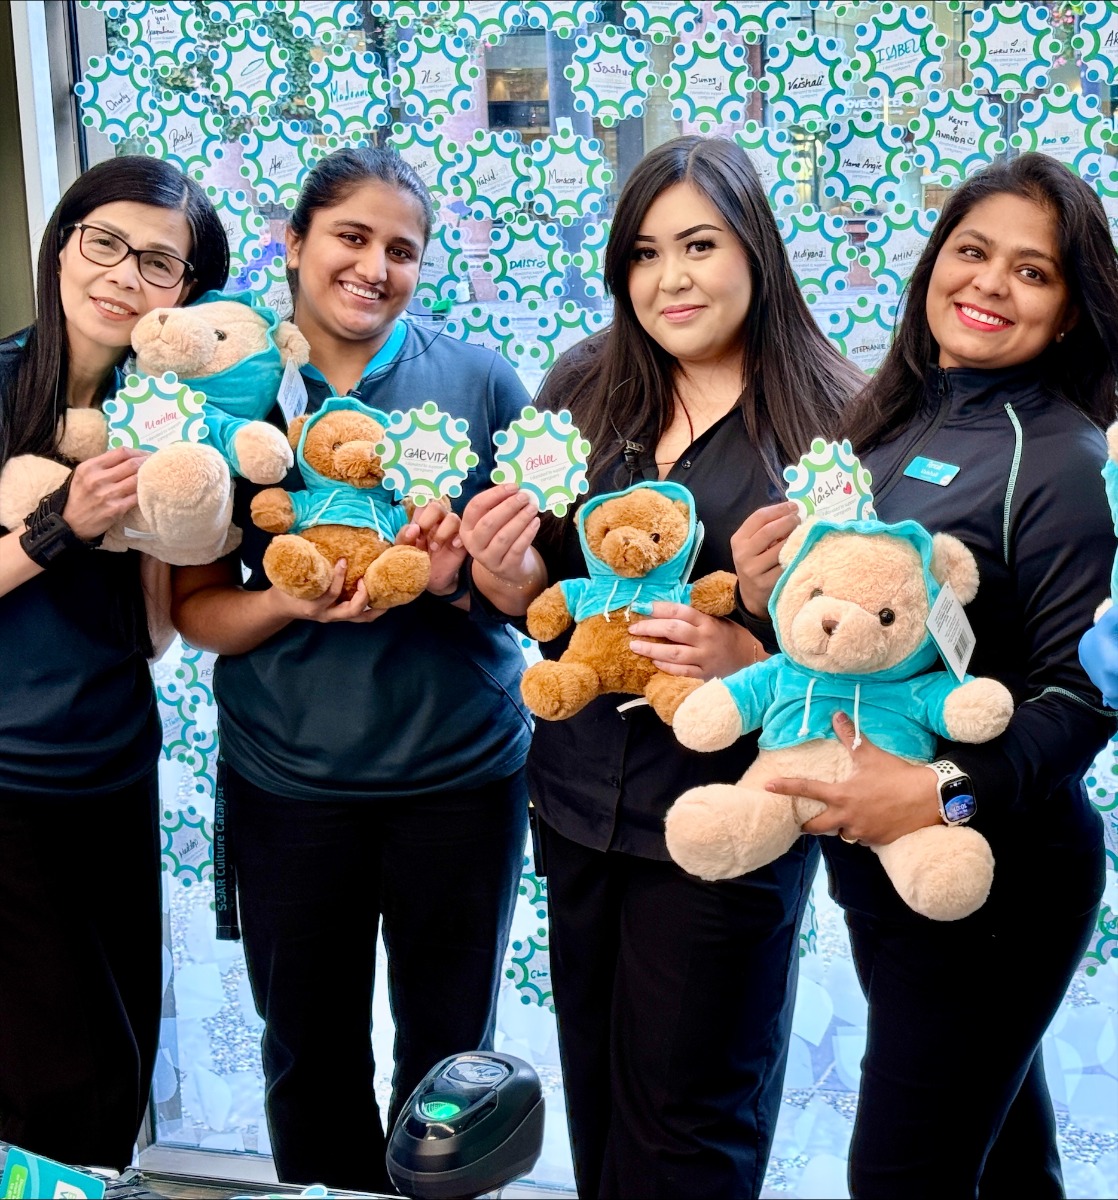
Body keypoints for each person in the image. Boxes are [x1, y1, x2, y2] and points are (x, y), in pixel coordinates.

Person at [459, 136, 865, 1198]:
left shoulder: (831, 422)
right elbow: (545, 604)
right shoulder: (584, 388)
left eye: (698, 244)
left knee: (688, 1127)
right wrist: (504, 582)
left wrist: (748, 655)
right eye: (642, 254)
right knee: (596, 1108)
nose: (668, 279)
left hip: (726, 825)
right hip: (577, 806)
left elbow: (877, 659)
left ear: (757, 251)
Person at [737, 153, 1118, 1197]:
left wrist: (938, 792)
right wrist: (756, 588)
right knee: (999, 1165)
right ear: (930, 266)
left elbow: (1087, 694)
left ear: (1073, 310)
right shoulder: (885, 422)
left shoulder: (1065, 461)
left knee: (902, 1175)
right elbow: (856, 639)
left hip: (999, 877)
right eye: (971, 251)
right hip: (888, 878)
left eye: (1031, 272)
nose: (989, 284)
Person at [170, 148, 532, 1194]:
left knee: (452, 1070)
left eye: (402, 250)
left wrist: (461, 576)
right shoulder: (229, 391)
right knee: (310, 1058)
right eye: (352, 237)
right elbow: (197, 610)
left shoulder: (475, 381)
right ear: (294, 243)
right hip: (289, 788)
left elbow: (527, 593)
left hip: (459, 780)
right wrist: (286, 598)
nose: (375, 266)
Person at [0, 156, 229, 1170]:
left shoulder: (165, 414)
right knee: (57, 1075)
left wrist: (175, 528)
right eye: (105, 242)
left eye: (160, 263)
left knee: (123, 1048)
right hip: (8, 781)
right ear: (61, 246)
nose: (124, 276)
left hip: (113, 764)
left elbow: (151, 637)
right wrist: (60, 525)